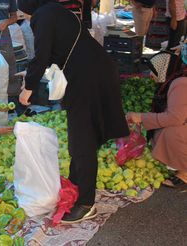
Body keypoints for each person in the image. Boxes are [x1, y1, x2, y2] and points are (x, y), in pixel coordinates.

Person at [17, 1, 129, 223]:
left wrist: (27, 88)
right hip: (95, 73)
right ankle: (77, 184)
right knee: (82, 139)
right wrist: (29, 74)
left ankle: (86, 204)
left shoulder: (42, 16)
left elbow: (41, 55)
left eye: (23, 12)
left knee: (82, 142)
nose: (24, 17)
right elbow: (53, 51)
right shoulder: (56, 11)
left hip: (87, 79)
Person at [126, 46, 187, 188]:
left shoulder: (181, 83)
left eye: (153, 71)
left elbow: (175, 118)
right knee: (161, 131)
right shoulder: (178, 80)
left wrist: (140, 117)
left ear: (163, 69)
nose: (150, 75)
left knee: (171, 133)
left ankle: (184, 173)